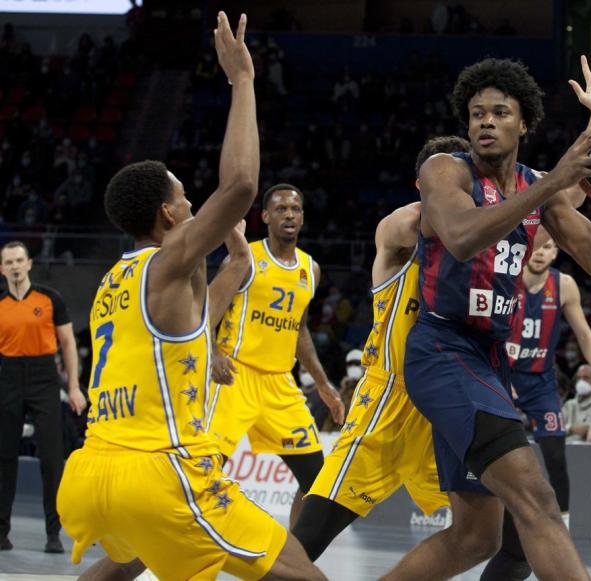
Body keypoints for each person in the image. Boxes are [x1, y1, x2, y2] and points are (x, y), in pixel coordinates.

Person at [56, 12, 325, 581]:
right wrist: (243, 81)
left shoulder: (114, 282)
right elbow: (243, 185)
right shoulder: (169, 263)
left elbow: (240, 265)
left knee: (127, 560)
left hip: (90, 474)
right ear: (170, 214)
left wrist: (223, 234)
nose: (191, 204)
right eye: (184, 196)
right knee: (307, 577)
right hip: (160, 470)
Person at [392, 52, 591, 581]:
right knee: (537, 498)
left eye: (500, 112)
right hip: (441, 349)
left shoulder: (540, 186)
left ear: (525, 124)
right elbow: (465, 239)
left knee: (476, 537)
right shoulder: (444, 170)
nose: (486, 122)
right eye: (476, 113)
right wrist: (552, 182)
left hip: (489, 361)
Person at [292, 136, 468, 562]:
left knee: (501, 536)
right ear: (422, 184)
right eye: (441, 182)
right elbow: (425, 222)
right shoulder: (400, 227)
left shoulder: (478, 245)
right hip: (386, 402)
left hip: (444, 408)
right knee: (309, 538)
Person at [481, 230, 591, 579]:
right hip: (503, 376)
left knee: (556, 453)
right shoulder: (506, 276)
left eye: (548, 247)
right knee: (499, 451)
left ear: (556, 251)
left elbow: (585, 336)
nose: (541, 253)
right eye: (538, 246)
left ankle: (563, 530)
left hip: (541, 383)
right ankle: (498, 521)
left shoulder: (565, 286)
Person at [207, 182, 345, 528]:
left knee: (319, 482)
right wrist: (212, 354)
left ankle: (295, 555)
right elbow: (207, 310)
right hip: (234, 378)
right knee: (202, 475)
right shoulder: (245, 257)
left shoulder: (309, 269)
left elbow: (299, 329)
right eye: (281, 209)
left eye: (295, 209)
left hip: (280, 384)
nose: (289, 215)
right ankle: (161, 561)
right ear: (266, 216)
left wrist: (324, 384)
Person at [0, 240, 86, 553]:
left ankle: (53, 534)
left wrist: (74, 387)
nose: (14, 266)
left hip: (44, 379)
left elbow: (67, 344)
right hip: (7, 377)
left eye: (19, 260)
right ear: (2, 268)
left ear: (29, 264)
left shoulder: (50, 298)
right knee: (4, 458)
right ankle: (1, 532)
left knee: (51, 459)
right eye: (8, 262)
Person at [562, 364, 591, 443]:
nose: (581, 382)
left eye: (586, 378)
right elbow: (556, 429)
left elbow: (586, 430)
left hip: (586, 448)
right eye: (578, 378)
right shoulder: (569, 404)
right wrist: (571, 428)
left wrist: (566, 428)